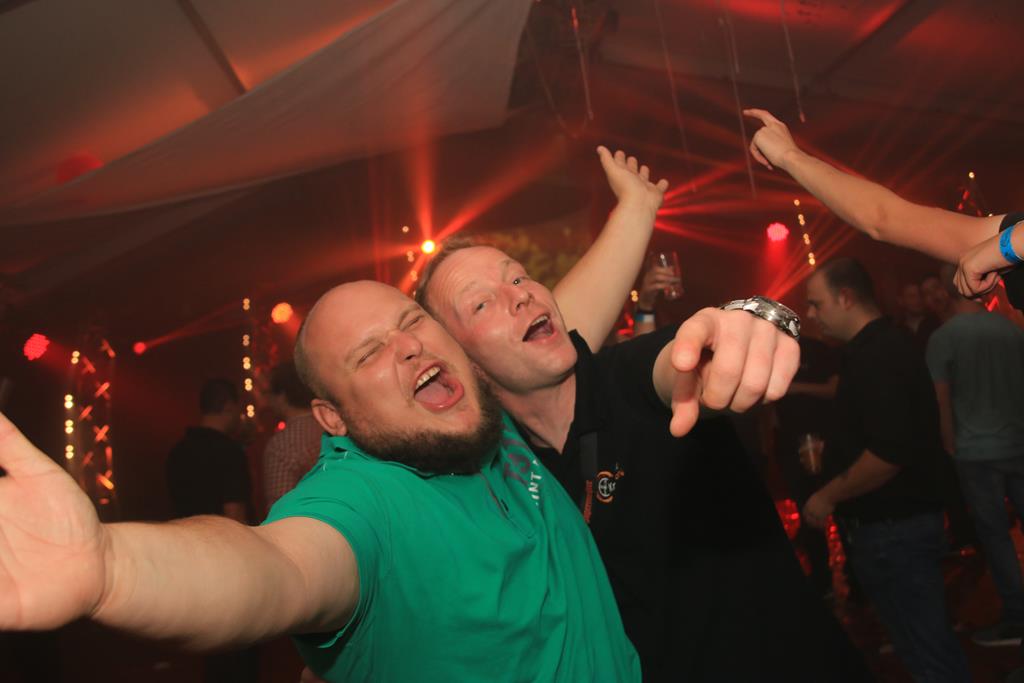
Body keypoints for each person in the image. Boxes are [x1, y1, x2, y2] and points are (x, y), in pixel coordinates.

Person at [0, 281, 641, 682]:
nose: (408, 347)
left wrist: (638, 208)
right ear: (334, 419)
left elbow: (563, 321)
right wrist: (111, 567)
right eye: (369, 354)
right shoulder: (363, 500)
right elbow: (280, 566)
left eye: (411, 322)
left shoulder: (482, 411)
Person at [416, 237, 869, 679]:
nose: (520, 295)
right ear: (466, 366)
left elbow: (675, 365)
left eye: (518, 277)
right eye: (481, 303)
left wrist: (739, 332)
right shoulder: (509, 473)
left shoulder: (628, 377)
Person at [801, 258, 969, 682]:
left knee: (929, 653)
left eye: (817, 304)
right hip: (890, 528)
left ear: (846, 297)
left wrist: (827, 496)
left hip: (897, 529)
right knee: (918, 647)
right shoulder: (867, 349)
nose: (811, 314)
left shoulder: (879, 353)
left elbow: (888, 453)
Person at [744, 108, 1024, 309]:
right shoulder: (1008, 237)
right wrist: (789, 157)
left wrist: (1007, 246)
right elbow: (884, 218)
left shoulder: (1008, 242)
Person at [926, 266, 1024, 647]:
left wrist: (949, 445)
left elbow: (941, 399)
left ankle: (1017, 617)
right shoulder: (1010, 330)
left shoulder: (943, 338)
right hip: (1018, 441)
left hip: (975, 450)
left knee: (995, 536)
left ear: (949, 291)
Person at [166, 378, 251, 523]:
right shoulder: (230, 453)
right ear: (229, 407)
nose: (240, 415)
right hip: (222, 536)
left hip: (185, 534)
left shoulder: (177, 452)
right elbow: (235, 514)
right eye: (239, 408)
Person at [262, 361, 321, 511]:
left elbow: (281, 507)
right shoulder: (332, 425)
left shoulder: (281, 444)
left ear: (281, 396)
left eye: (268, 393)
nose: (267, 401)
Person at [896, 282, 941, 355]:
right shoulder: (897, 330)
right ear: (901, 301)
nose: (918, 299)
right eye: (912, 296)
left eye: (920, 295)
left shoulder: (936, 323)